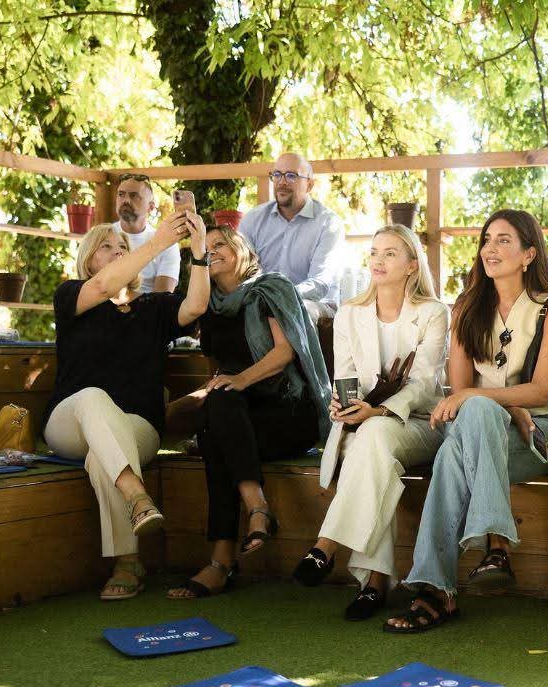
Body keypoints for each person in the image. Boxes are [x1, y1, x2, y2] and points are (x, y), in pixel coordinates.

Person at [385, 209, 548, 633]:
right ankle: (496, 545)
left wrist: (494, 402)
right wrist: (503, 404)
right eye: (487, 239)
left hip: (538, 433)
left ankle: (436, 590)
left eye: (504, 240)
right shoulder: (467, 307)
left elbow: (541, 391)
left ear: (529, 255)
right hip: (480, 427)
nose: (490, 248)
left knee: (454, 452)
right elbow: (461, 396)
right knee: (475, 417)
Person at [43, 214, 210, 600]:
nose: (118, 251)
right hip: (70, 423)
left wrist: (199, 250)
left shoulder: (154, 307)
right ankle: (136, 493)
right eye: (107, 247)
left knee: (103, 456)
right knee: (92, 396)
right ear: (88, 259)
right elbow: (103, 286)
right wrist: (159, 242)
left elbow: (196, 305)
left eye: (123, 247)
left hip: (138, 426)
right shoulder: (72, 295)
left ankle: (128, 563)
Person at [166, 226, 331, 599]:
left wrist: (239, 380)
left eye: (220, 244)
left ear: (244, 250)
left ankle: (221, 561)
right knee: (217, 419)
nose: (212, 251)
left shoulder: (270, 290)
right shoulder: (209, 306)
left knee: (219, 424)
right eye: (205, 248)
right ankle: (256, 509)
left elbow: (284, 353)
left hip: (289, 411)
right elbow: (217, 373)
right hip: (239, 416)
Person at [293, 225, 449, 620]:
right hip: (364, 426)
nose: (378, 260)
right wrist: (342, 406)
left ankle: (327, 545)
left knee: (374, 435)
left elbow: (423, 385)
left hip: (421, 423)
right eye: (375, 251)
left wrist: (377, 413)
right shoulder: (349, 313)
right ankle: (375, 582)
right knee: (375, 451)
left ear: (412, 265)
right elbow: (345, 377)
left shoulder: (434, 312)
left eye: (390, 253)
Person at [240, 152, 347, 321]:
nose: (282, 182)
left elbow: (320, 283)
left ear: (309, 185)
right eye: (277, 174)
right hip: (262, 302)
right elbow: (241, 272)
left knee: (297, 311)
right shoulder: (253, 220)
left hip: (313, 305)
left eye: (291, 176)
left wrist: (278, 299)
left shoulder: (328, 223)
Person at [111, 173, 180, 294]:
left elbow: (162, 297)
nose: (126, 200)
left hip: (147, 305)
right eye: (121, 194)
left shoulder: (166, 243)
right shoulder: (101, 236)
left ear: (151, 207)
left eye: (134, 196)